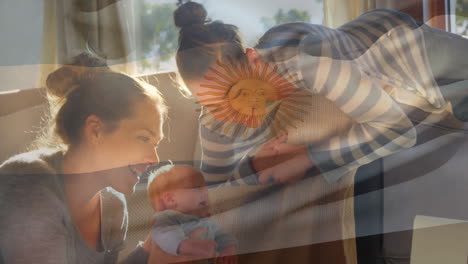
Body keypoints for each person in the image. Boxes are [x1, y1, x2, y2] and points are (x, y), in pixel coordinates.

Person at [172, 2, 468, 263]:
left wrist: (308, 157)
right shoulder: (215, 119)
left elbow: (397, 130)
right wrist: (251, 167)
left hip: (403, 48)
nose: (230, 114)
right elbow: (210, 195)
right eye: (209, 104)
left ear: (253, 60)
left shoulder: (308, 63)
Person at [0, 52, 166, 264]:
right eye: (143, 138)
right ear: (95, 130)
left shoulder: (113, 208)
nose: (154, 159)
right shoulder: (27, 182)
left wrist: (149, 250)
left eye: (156, 144)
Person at [147, 165, 238, 262]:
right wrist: (189, 246)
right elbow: (164, 235)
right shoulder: (166, 217)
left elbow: (222, 236)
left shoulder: (205, 221)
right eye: (197, 187)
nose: (206, 192)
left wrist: (228, 249)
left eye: (205, 186)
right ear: (171, 199)